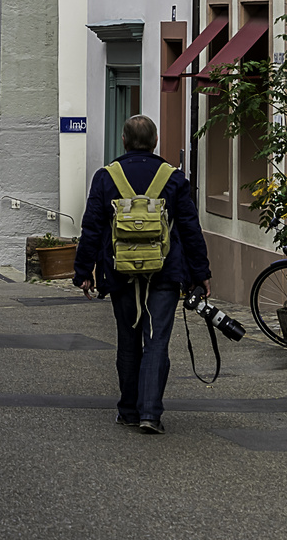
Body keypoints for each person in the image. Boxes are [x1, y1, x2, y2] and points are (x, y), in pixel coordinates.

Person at [72, 115, 211, 435]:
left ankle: (128, 410)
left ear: (123, 141)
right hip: (164, 272)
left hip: (120, 272)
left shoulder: (106, 177)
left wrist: (84, 271)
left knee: (128, 341)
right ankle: (150, 413)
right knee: (157, 341)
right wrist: (200, 273)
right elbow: (190, 229)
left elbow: (91, 227)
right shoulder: (173, 178)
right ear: (156, 142)